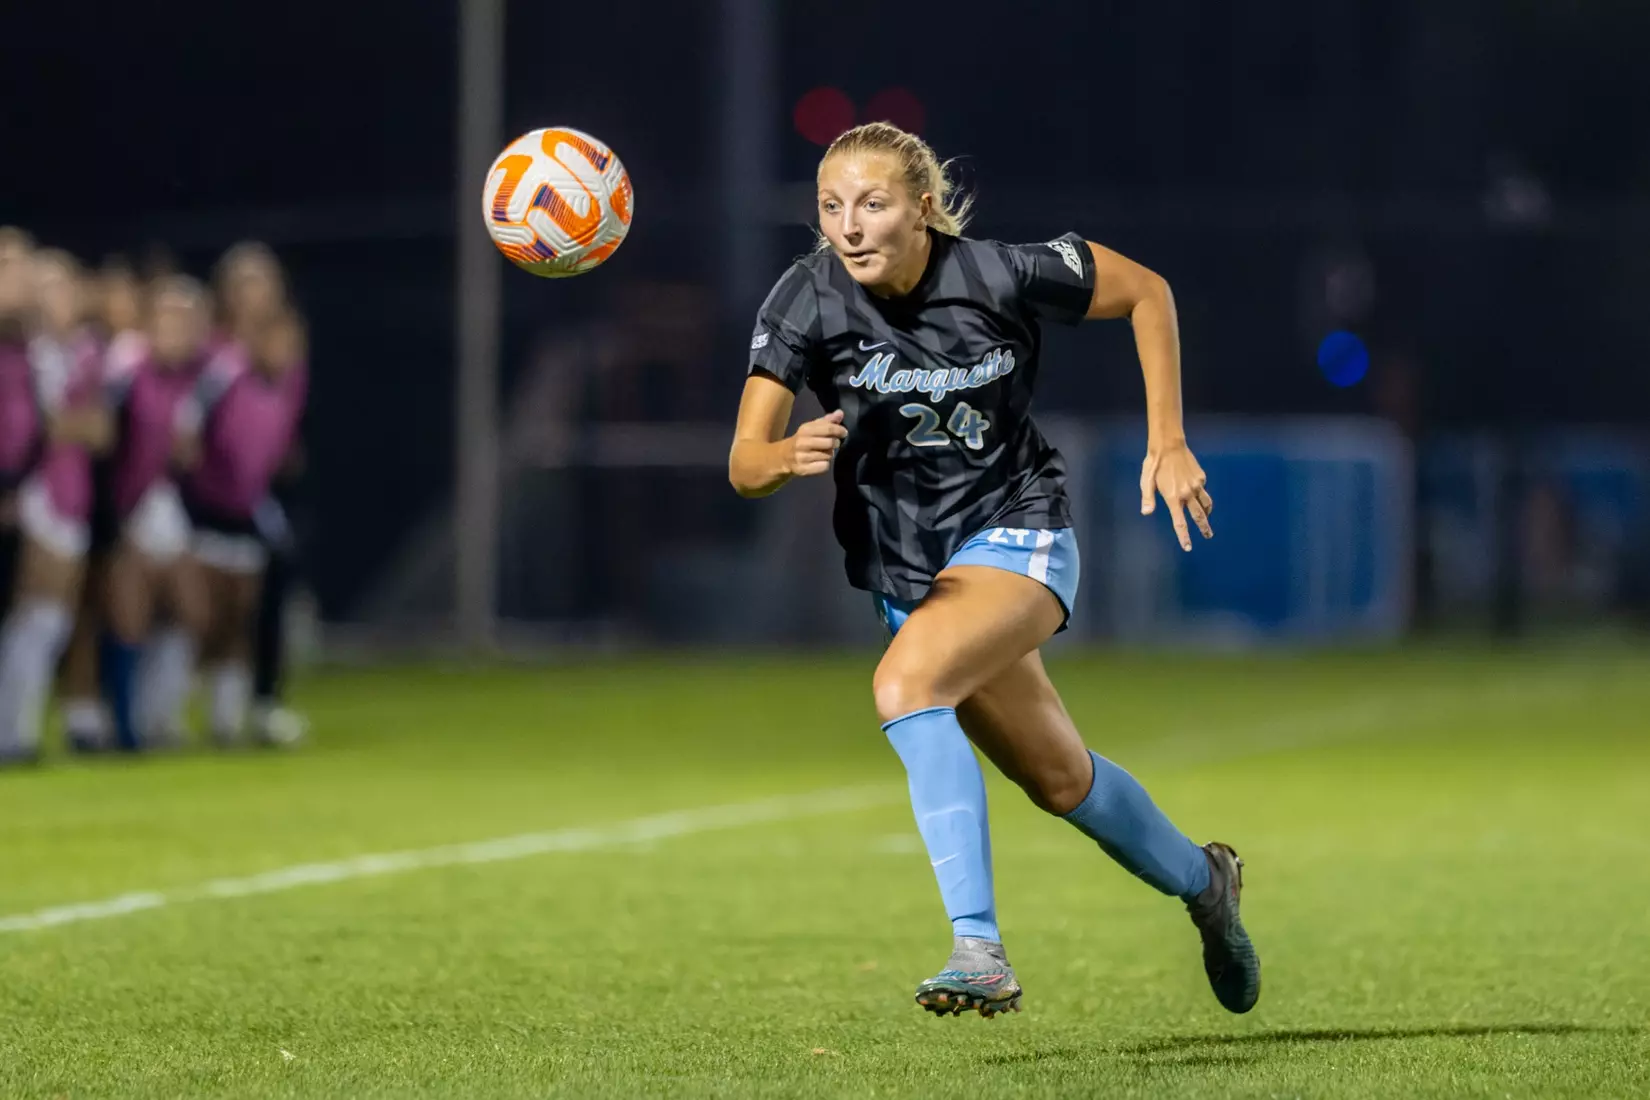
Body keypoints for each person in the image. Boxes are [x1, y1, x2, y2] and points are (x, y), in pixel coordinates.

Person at [728, 123, 1259, 1018]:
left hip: (1019, 536)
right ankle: (1207, 885)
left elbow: (1148, 293)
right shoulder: (806, 297)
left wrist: (1167, 439)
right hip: (910, 578)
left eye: (873, 204)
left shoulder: (1004, 272)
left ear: (924, 209)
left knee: (905, 685)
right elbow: (742, 460)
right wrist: (780, 458)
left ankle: (976, 946)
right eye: (831, 207)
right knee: (1060, 781)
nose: (849, 226)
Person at [178, 306, 307, 747]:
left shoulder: (281, 392)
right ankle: (165, 714)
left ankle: (226, 719)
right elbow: (187, 426)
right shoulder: (227, 375)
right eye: (278, 343)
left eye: (292, 346)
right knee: (199, 618)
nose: (286, 353)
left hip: (246, 513)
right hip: (203, 510)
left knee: (238, 618)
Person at [0, 247, 110, 763]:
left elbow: (100, 431)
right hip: (33, 493)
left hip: (74, 497)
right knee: (31, 613)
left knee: (52, 620)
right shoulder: (27, 350)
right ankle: (14, 733)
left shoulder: (86, 352)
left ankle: (20, 729)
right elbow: (44, 425)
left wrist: (75, 424)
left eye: (63, 287)